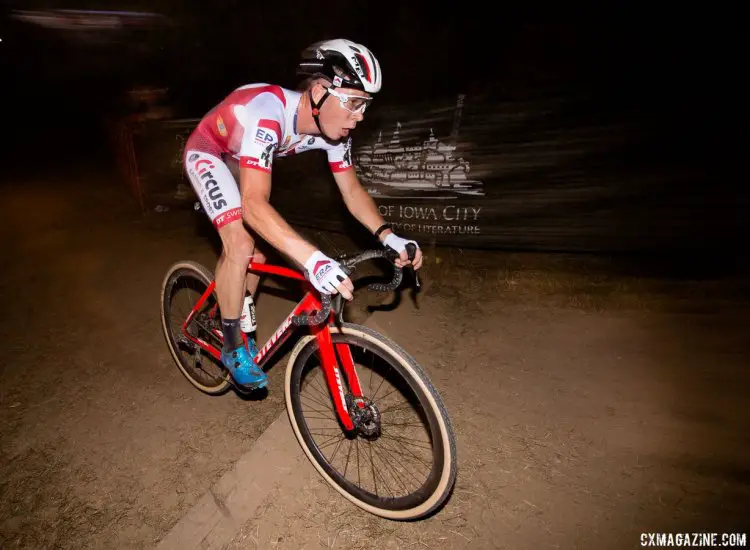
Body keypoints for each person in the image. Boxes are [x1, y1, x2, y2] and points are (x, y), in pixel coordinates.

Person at [182, 38, 423, 391]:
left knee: (261, 248)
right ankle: (233, 345)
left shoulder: (336, 134)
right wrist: (312, 260)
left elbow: (352, 192)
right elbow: (252, 204)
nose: (360, 117)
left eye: (365, 106)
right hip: (210, 152)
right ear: (320, 91)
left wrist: (389, 235)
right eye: (354, 103)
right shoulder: (269, 111)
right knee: (241, 239)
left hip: (242, 156)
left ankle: (236, 305)